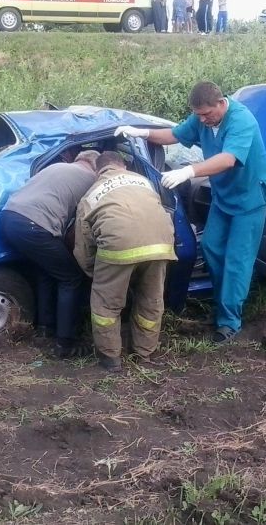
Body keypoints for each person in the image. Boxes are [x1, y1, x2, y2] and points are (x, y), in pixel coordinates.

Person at [116, 81, 266, 344]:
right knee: (211, 247)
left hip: (250, 199)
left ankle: (229, 323)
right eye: (198, 115)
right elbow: (174, 135)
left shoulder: (241, 120)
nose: (202, 119)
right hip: (224, 197)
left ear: (221, 104)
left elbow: (228, 159)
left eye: (207, 114)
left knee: (237, 259)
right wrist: (140, 132)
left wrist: (188, 171)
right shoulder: (202, 119)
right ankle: (226, 300)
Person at [73, 152, 176, 372]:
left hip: (118, 247)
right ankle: (144, 352)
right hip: (161, 245)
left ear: (97, 171)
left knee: (106, 305)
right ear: (124, 165)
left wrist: (94, 272)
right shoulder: (145, 182)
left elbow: (84, 242)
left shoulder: (91, 193)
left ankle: (111, 358)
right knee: (151, 301)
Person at [0, 150, 100, 358]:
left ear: (78, 159)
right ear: (95, 166)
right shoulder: (91, 179)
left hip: (8, 218)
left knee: (46, 272)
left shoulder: (55, 167)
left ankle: (45, 328)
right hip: (34, 225)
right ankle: (65, 343)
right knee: (71, 278)